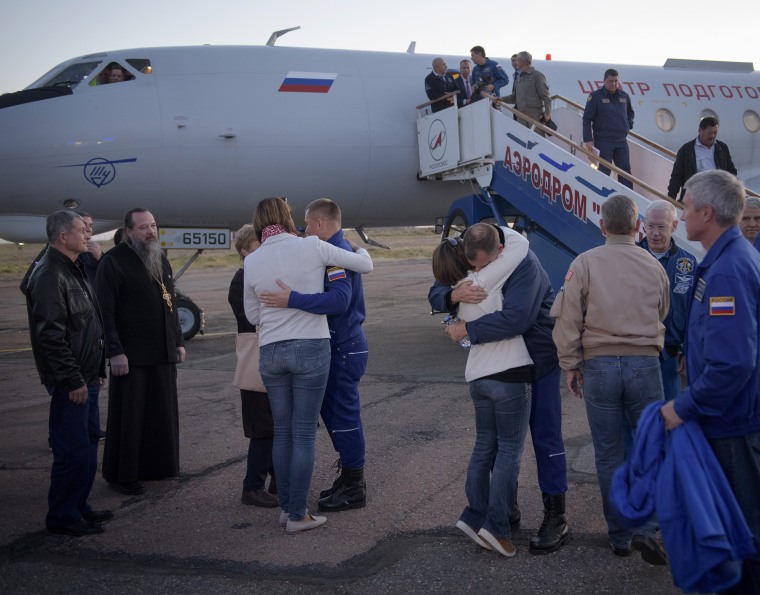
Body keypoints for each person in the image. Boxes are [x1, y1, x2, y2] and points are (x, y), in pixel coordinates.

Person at [429, 226, 571, 555]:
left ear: (497, 251)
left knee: (544, 436)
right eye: (471, 266)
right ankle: (505, 509)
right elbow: (437, 287)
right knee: (499, 443)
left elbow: (516, 319)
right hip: (504, 365)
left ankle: (556, 515)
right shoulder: (473, 248)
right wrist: (451, 295)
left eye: (481, 265)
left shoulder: (525, 265)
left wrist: (465, 327)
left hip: (537, 359)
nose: (476, 273)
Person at [243, 197, 373, 534]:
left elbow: (340, 300)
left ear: (316, 222)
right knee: (305, 432)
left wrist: (290, 301)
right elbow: (366, 265)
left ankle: (335, 490)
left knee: (316, 425)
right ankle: (307, 504)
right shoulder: (317, 249)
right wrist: (361, 252)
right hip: (314, 348)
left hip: (313, 348)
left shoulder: (255, 259)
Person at [550, 194, 669, 562]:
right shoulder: (654, 265)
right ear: (638, 227)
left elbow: (568, 319)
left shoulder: (584, 263)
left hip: (599, 366)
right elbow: (663, 309)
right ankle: (648, 529)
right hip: (644, 365)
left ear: (602, 226)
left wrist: (570, 363)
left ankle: (620, 536)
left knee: (608, 454)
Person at [660, 170, 760, 593]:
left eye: (685, 207)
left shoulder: (726, 272)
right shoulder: (726, 259)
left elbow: (732, 364)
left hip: (733, 425)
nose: (681, 215)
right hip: (729, 418)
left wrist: (681, 407)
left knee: (743, 530)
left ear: (707, 212)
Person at [432, 225, 532, 557]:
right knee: (509, 454)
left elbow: (444, 308)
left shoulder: (459, 291)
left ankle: (474, 515)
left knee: (483, 449)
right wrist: (486, 231)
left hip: (478, 378)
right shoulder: (488, 277)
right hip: (510, 374)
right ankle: (496, 526)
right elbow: (518, 241)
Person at [25, 210, 112, 536]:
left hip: (86, 376)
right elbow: (51, 335)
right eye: (81, 230)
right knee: (72, 451)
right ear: (63, 236)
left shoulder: (72, 269)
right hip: (71, 381)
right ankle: (62, 516)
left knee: (87, 447)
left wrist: (96, 368)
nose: (87, 234)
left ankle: (79, 506)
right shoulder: (50, 274)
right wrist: (72, 379)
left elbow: (89, 324)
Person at [96, 208, 185, 496]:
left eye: (153, 226)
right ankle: (123, 475)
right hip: (131, 356)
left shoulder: (159, 258)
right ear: (128, 231)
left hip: (162, 352)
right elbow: (105, 312)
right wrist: (115, 352)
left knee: (161, 414)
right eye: (144, 227)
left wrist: (179, 341)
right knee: (130, 418)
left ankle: (157, 468)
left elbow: (169, 303)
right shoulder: (113, 262)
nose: (151, 231)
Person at [228, 224, 278, 508]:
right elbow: (254, 318)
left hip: (267, 357)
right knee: (264, 426)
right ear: (245, 250)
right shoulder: (242, 280)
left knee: (274, 425)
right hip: (258, 360)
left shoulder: (254, 276)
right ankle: (253, 486)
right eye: (257, 246)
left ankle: (276, 482)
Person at [638, 200, 697, 401]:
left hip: (670, 358)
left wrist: (689, 351)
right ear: (643, 225)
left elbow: (694, 313)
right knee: (635, 422)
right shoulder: (631, 258)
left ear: (674, 226)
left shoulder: (688, 264)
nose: (654, 232)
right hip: (634, 355)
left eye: (661, 227)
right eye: (650, 225)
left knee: (669, 420)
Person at [582, 69, 635, 189]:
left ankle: (627, 199)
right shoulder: (595, 97)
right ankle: (602, 196)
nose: (614, 84)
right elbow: (587, 119)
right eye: (611, 81)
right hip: (603, 141)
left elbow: (630, 113)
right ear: (604, 80)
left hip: (621, 141)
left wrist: (628, 125)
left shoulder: (624, 96)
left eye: (616, 81)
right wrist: (588, 139)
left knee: (625, 172)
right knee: (604, 171)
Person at [667, 117, 737, 200]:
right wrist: (671, 199)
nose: (713, 136)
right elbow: (676, 177)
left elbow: (731, 172)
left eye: (715, 132)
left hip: (718, 196)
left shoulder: (722, 148)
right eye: (710, 133)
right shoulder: (686, 150)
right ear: (700, 130)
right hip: (695, 197)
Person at [499, 51, 552, 136]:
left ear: (523, 61)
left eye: (517, 60)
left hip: (534, 117)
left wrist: (547, 113)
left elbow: (546, 97)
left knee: (537, 142)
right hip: (521, 117)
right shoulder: (518, 77)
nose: (515, 62)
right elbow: (514, 97)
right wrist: (501, 99)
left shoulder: (537, 76)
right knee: (522, 141)